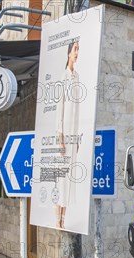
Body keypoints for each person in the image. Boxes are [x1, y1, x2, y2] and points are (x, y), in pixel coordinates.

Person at [55, 39, 81, 229]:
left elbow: (77, 109)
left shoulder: (77, 77)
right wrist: (61, 138)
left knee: (70, 177)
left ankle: (65, 218)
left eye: (78, 49)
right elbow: (60, 109)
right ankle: (58, 219)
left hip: (74, 135)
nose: (77, 52)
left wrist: (77, 137)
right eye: (75, 49)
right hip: (64, 136)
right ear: (68, 53)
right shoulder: (63, 77)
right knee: (62, 179)